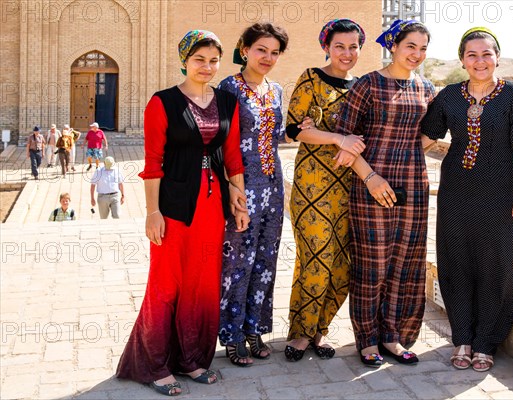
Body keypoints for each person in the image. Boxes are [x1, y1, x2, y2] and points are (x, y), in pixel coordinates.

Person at [116, 30, 249, 396]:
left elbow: (233, 156)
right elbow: (153, 163)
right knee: (166, 285)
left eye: (213, 60)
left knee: (202, 285)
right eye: (199, 59)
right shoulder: (163, 103)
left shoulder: (226, 101)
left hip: (212, 207)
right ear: (184, 60)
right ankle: (155, 364)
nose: (206, 67)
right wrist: (152, 212)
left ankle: (192, 359)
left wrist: (238, 200)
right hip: (174, 207)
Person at [420, 27, 513, 372]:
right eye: (472, 55)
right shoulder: (449, 96)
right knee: (456, 260)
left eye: (487, 54)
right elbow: (426, 138)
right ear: (462, 60)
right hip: (456, 191)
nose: (480, 61)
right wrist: (383, 157)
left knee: (498, 263)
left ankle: (486, 340)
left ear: (497, 57)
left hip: (502, 192)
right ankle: (463, 339)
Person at [334, 20, 435, 367]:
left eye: (423, 48)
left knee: (405, 264)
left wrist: (407, 153)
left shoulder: (426, 87)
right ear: (394, 45)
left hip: (413, 187)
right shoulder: (368, 84)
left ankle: (393, 336)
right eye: (411, 46)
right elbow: (345, 139)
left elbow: (431, 132)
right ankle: (367, 340)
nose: (417, 54)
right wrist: (373, 177)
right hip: (370, 187)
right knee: (372, 265)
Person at [284, 19, 367, 361]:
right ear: (326, 47)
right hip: (311, 186)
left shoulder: (363, 86)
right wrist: (336, 137)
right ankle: (301, 334)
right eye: (339, 46)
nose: (346, 53)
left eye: (353, 47)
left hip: (349, 187)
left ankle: (320, 329)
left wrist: (327, 132)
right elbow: (294, 129)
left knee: (344, 267)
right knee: (315, 258)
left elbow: (367, 133)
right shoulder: (310, 79)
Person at [217, 22, 288, 367]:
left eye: (275, 52)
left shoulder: (275, 90)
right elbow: (225, 143)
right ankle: (230, 336)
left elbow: (276, 136)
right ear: (244, 50)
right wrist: (236, 193)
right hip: (242, 186)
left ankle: (254, 329)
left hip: (273, 187)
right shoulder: (230, 87)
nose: (268, 58)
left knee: (265, 262)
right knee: (237, 263)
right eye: (261, 50)